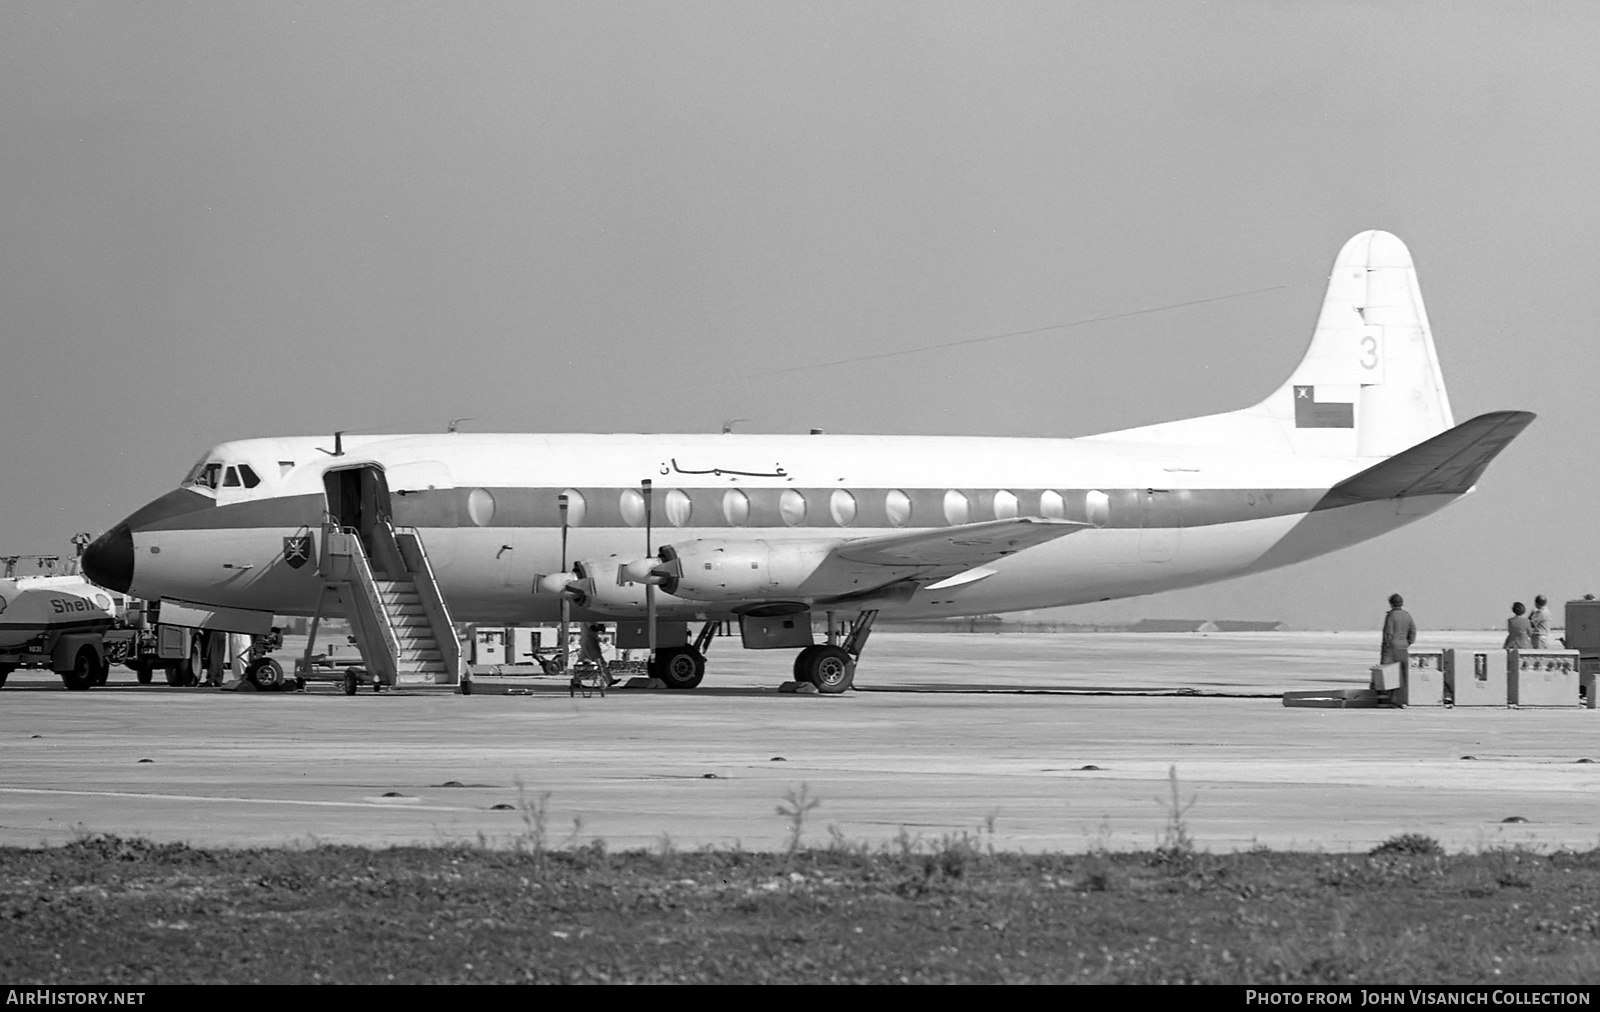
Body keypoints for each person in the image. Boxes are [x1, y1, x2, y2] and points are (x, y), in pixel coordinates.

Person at [1380, 593, 1416, 666]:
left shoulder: (1391, 615)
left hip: (1391, 648)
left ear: (1391, 603)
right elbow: (1413, 631)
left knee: (1386, 670)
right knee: (1402, 672)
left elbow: (1388, 632)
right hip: (1403, 647)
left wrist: (1387, 645)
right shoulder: (1407, 615)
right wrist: (1408, 642)